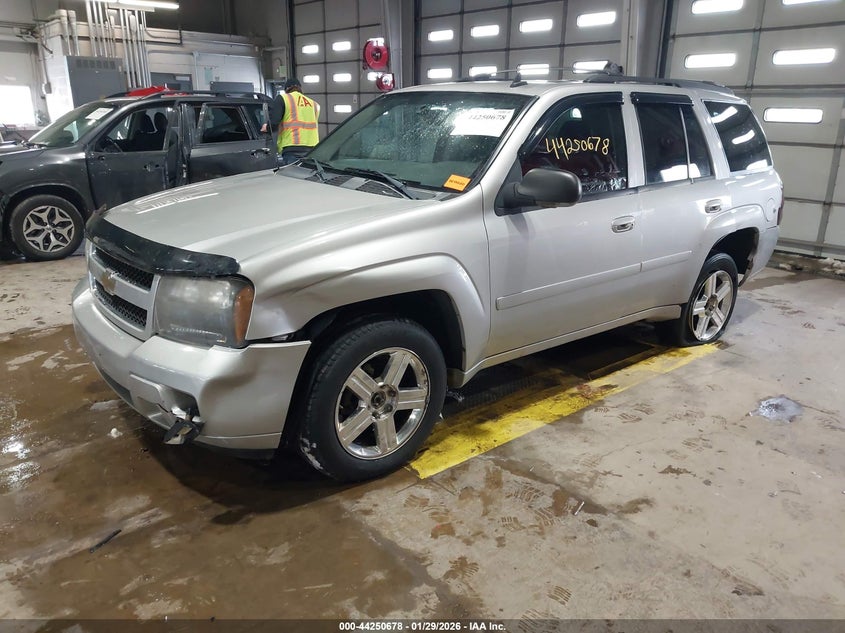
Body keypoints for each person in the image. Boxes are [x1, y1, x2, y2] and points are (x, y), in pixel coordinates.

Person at [261, 77, 320, 165]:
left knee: (293, 173)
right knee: (307, 173)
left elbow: (274, 123)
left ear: (286, 89)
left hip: (292, 148)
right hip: (312, 149)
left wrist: (266, 127)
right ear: (300, 88)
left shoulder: (283, 98)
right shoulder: (314, 104)